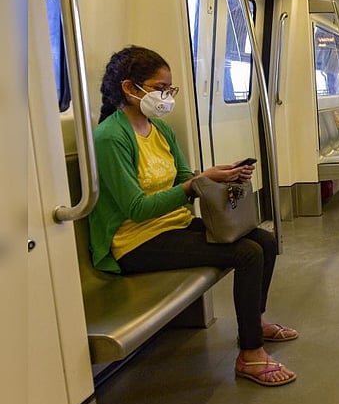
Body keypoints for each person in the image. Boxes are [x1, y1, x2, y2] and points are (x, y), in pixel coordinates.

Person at [89, 46, 297, 386]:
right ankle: (250, 354)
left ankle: (253, 323)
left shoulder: (160, 130)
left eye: (169, 89)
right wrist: (196, 184)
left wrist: (222, 175)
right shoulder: (111, 137)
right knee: (247, 253)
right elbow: (136, 208)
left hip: (173, 228)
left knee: (264, 239)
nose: (166, 96)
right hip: (135, 242)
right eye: (159, 88)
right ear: (130, 88)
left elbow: (188, 180)